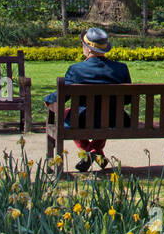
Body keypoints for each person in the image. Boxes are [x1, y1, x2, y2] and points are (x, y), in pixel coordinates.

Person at [45, 26, 132, 172]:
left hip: (83, 120)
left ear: (89, 49)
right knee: (106, 114)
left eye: (83, 45)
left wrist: (48, 100)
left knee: (67, 115)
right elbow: (128, 99)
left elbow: (62, 96)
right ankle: (96, 151)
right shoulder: (121, 69)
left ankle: (90, 151)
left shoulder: (76, 70)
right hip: (117, 120)